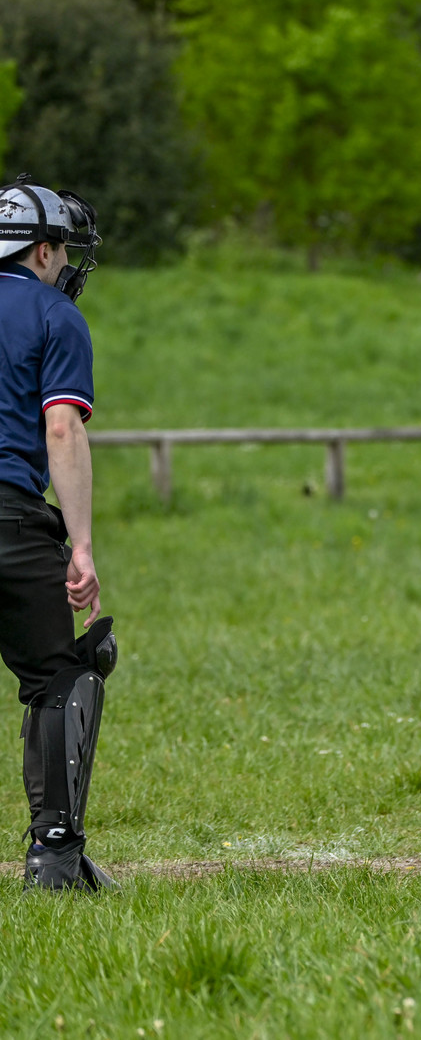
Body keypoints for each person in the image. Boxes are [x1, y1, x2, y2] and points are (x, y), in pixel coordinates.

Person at [0, 177, 118, 891]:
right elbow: (61, 427)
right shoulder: (53, 314)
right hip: (10, 516)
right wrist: (79, 544)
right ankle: (54, 855)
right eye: (63, 248)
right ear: (41, 250)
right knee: (59, 676)